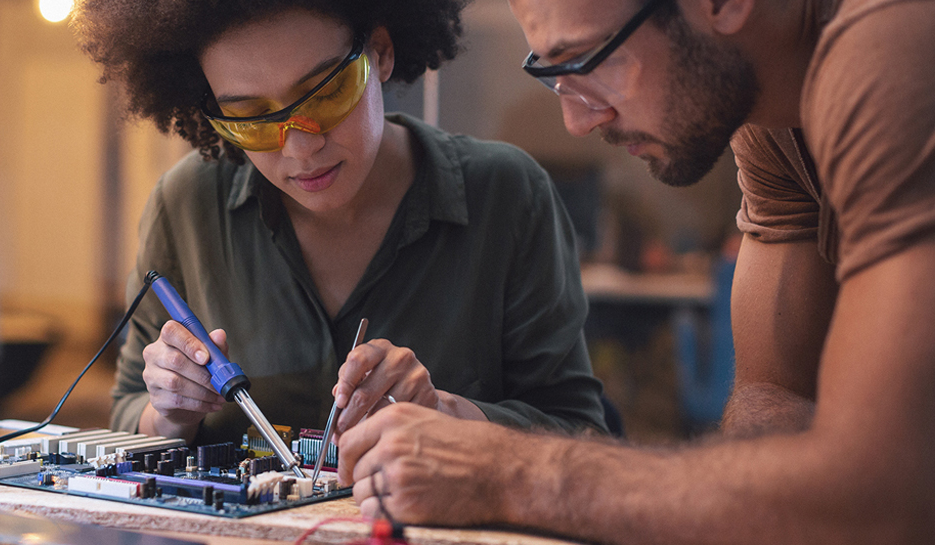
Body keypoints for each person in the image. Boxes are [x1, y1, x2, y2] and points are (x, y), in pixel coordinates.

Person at [337, 0, 935, 541]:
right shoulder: (768, 117)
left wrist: (508, 472)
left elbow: (881, 492)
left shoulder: (894, 48)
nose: (578, 122)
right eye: (551, 72)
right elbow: (775, 407)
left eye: (585, 59)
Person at [72, 0, 607, 447]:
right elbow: (128, 414)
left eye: (326, 93)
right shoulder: (186, 205)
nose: (301, 148)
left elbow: (581, 434)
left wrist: (446, 413)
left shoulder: (506, 195)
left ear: (381, 51)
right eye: (253, 119)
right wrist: (170, 412)